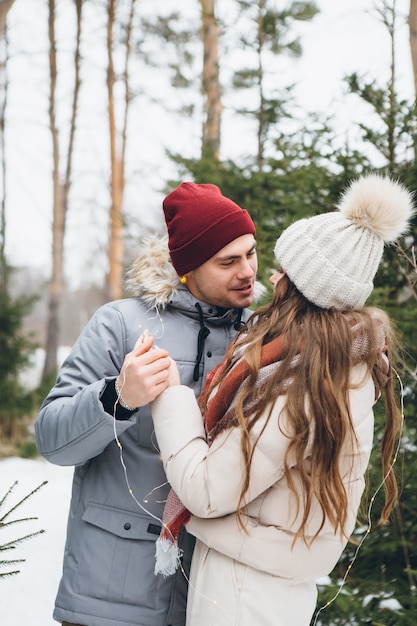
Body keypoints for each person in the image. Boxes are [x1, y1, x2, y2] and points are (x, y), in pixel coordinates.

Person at [150, 174, 414, 626]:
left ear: (305, 288)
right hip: (268, 589)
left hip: (242, 597)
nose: (268, 276)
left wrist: (170, 396)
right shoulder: (338, 367)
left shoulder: (301, 385)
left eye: (284, 270)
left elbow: (208, 490)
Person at [35, 182, 264, 626]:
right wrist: (118, 398)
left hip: (211, 600)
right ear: (187, 269)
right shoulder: (120, 324)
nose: (247, 271)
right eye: (228, 261)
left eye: (251, 253)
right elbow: (52, 441)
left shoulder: (259, 336)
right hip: (110, 598)